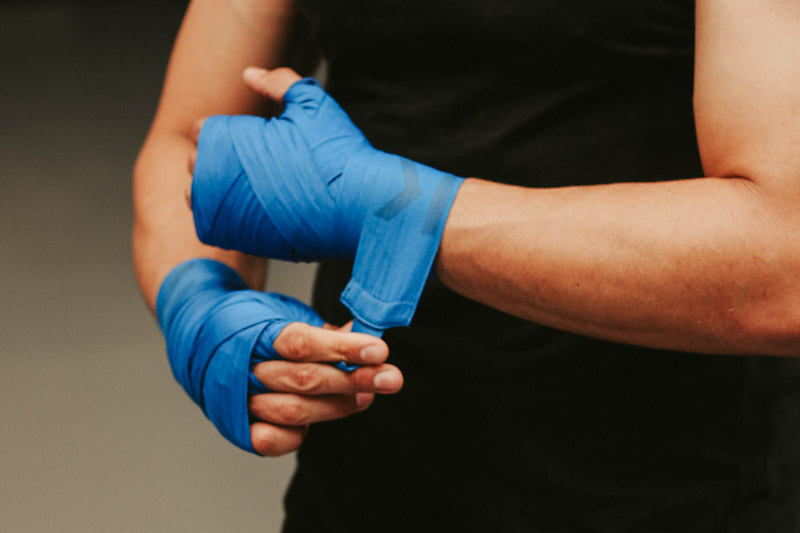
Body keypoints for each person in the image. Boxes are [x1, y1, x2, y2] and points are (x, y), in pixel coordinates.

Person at [133, 1, 800, 531]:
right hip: (366, 484)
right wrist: (199, 300)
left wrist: (405, 216)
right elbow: (186, 136)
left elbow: (784, 256)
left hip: (676, 495)